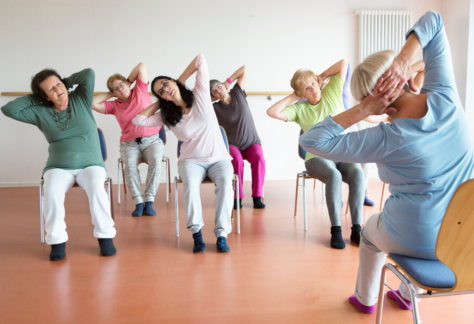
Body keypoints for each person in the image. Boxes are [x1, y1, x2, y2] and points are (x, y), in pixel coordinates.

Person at [299, 11, 474, 313]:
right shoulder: (445, 97)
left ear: (374, 100)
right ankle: (408, 294)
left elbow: (311, 141)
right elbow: (433, 20)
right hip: (466, 233)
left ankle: (365, 300)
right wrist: (405, 58)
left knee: (369, 231)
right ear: (403, 76)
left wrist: (363, 110)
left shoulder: (384, 138)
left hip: (419, 237)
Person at [1, 68, 117, 261]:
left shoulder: (81, 98)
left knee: (97, 188)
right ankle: (57, 241)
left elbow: (88, 74)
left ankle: (105, 238)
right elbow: (8, 109)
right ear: (44, 96)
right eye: (50, 89)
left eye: (58, 84)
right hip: (58, 166)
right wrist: (35, 97)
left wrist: (65, 81)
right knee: (52, 189)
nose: (57, 90)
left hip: (91, 164)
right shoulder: (40, 112)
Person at [132, 54, 234, 253]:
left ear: (171, 80)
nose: (165, 89)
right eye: (160, 91)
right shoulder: (165, 115)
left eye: (165, 83)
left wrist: (179, 81)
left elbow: (201, 59)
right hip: (191, 161)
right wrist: (160, 102)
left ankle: (222, 234)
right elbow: (138, 120)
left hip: (218, 158)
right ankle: (197, 233)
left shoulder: (201, 94)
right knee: (190, 185)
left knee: (225, 183)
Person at [266, 59, 365, 250]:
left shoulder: (332, 91)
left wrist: (321, 76)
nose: (312, 89)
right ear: (301, 93)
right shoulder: (299, 108)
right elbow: (272, 111)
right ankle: (335, 230)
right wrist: (293, 97)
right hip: (316, 158)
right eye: (306, 88)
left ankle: (356, 229)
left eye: (312, 83)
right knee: (334, 176)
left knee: (358, 174)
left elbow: (343, 63)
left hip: (342, 154)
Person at [92, 63, 164, 217]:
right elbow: (93, 103)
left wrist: (129, 83)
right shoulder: (114, 105)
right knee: (130, 167)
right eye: (115, 88)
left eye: (121, 85)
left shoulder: (140, 90)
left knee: (156, 162)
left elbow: (141, 67)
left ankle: (149, 200)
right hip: (129, 144)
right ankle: (138, 202)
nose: (120, 89)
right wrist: (111, 94)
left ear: (127, 83)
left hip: (152, 140)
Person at [210, 66, 265, 209]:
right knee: (237, 161)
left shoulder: (237, 93)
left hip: (252, 142)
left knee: (259, 158)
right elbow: (199, 103)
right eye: (214, 91)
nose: (217, 90)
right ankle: (236, 198)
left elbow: (244, 69)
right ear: (213, 96)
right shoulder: (215, 108)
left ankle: (257, 197)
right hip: (233, 145)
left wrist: (227, 82)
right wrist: (211, 97)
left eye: (218, 87)